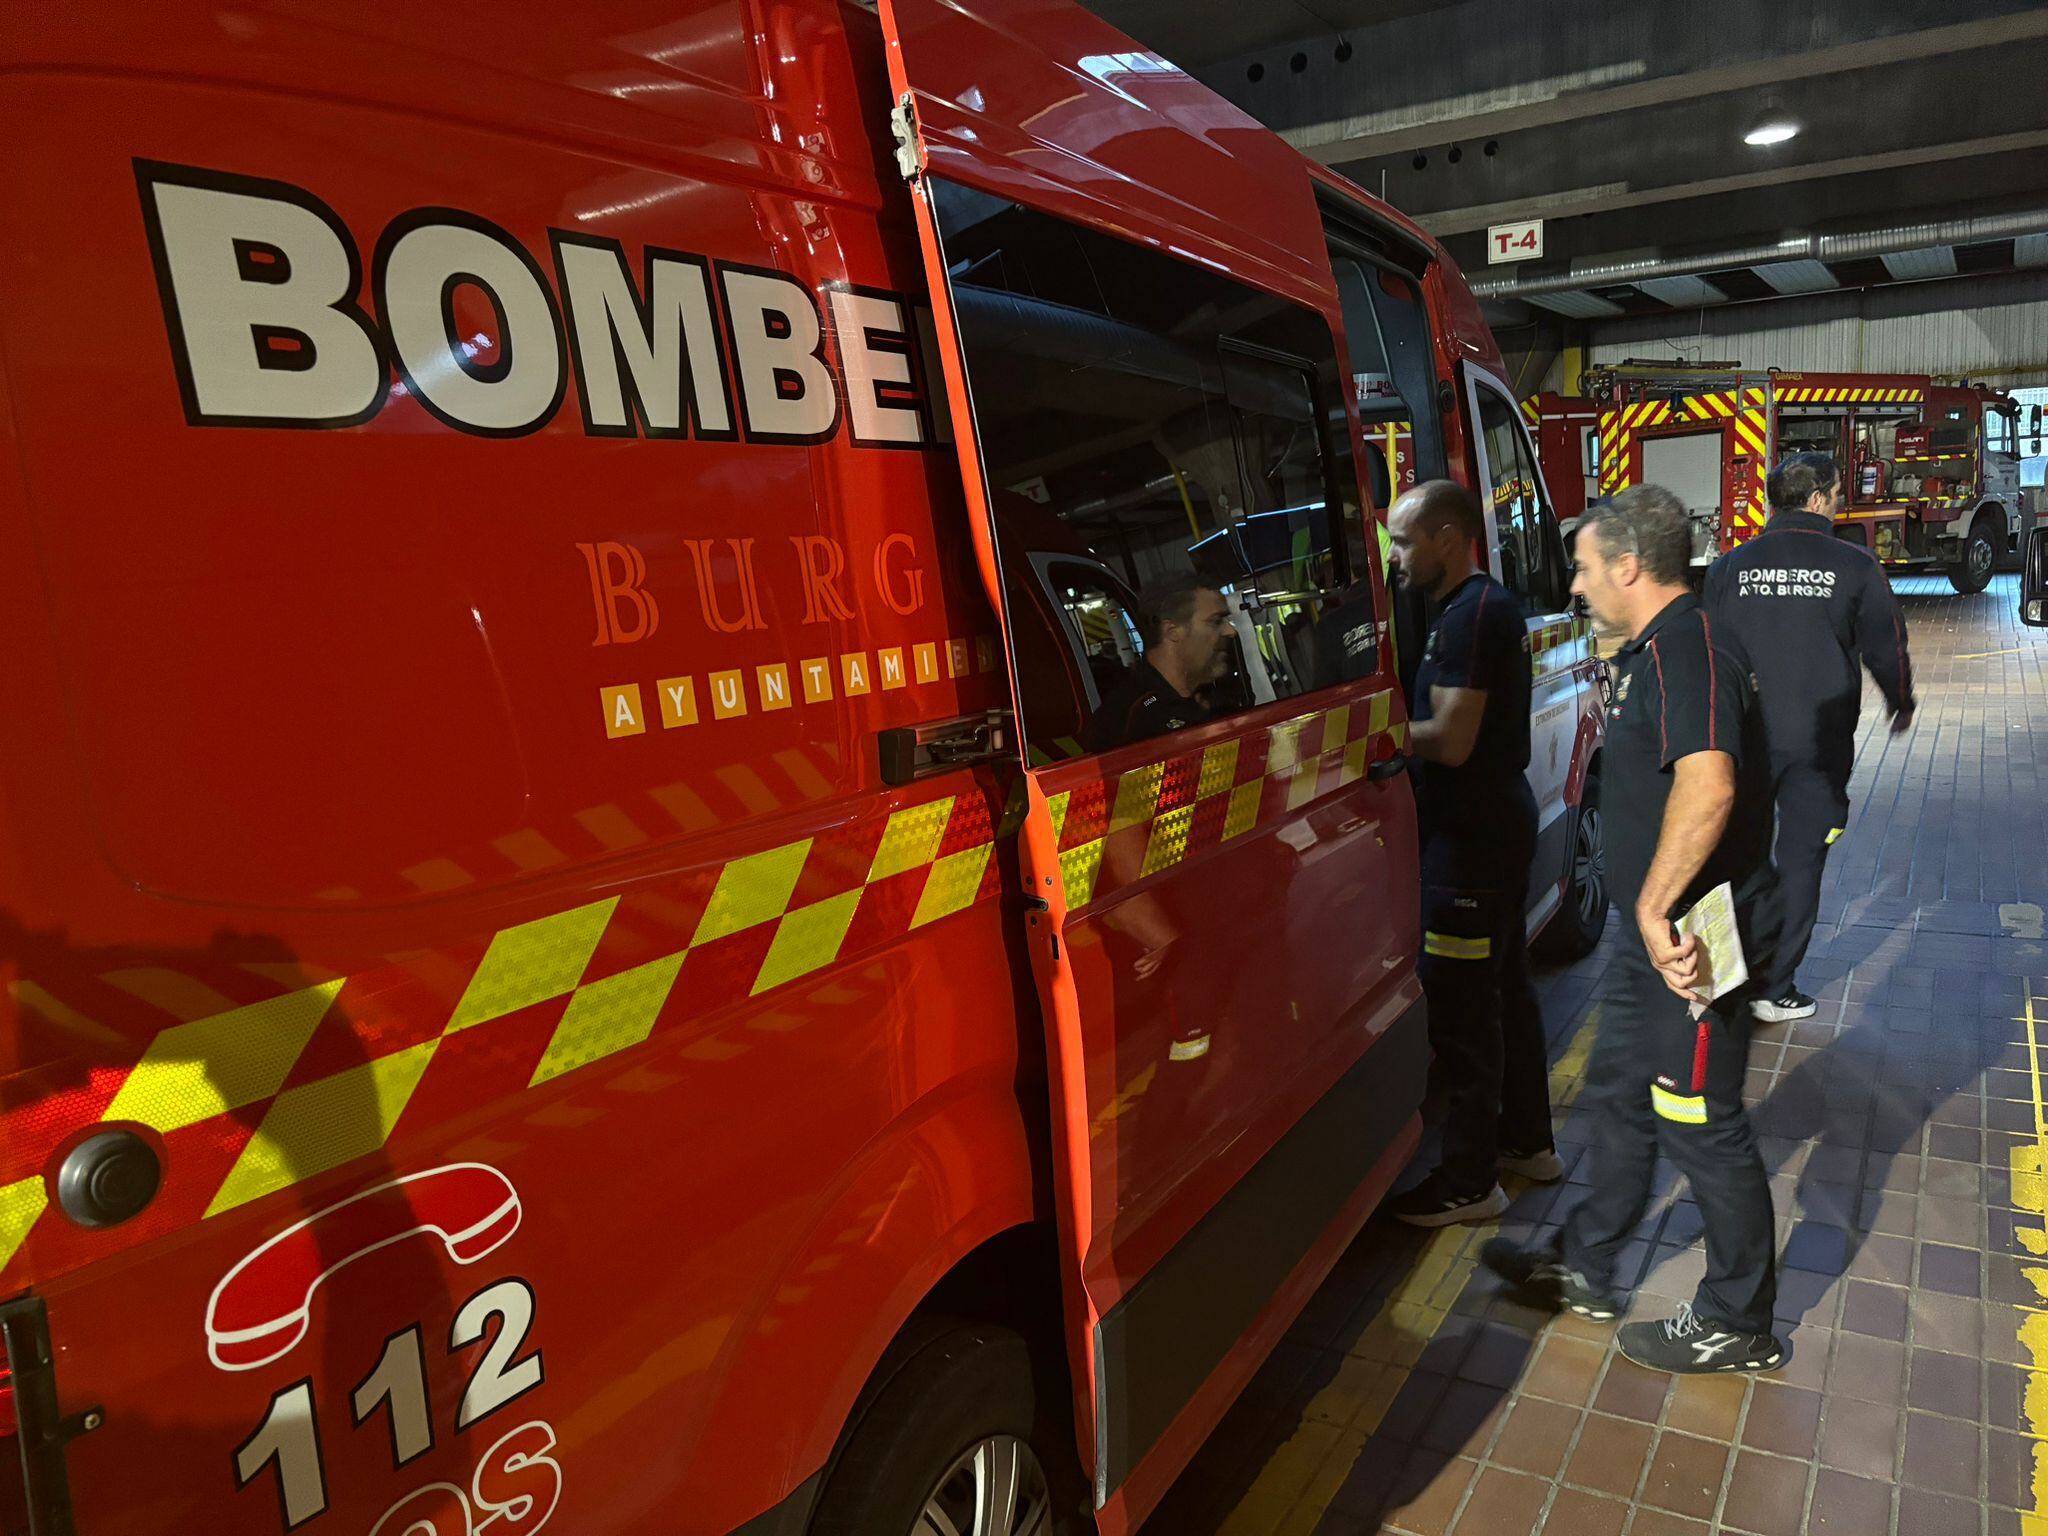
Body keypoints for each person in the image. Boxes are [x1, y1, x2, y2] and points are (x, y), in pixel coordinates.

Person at [1483, 485, 1785, 1374]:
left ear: (1627, 566)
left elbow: (1711, 784)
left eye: (1582, 568)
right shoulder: (1662, 645)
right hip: (1650, 933)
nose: (1574, 586)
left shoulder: (1685, 651)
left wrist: (1653, 909)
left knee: (1697, 1116)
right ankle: (1588, 1266)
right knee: (1620, 1092)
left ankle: (1739, 1316)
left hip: (1691, 936)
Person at [1383, 481, 1559, 1227]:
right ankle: (1528, 1142)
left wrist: (1371, 736)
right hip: (1491, 827)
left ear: (1448, 537)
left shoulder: (1471, 617)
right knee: (1507, 989)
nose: (1394, 558)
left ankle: (1466, 1182)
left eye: (1403, 542)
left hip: (1471, 839)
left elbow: (1451, 739)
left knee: (1462, 1008)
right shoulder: (1469, 609)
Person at [1704, 451, 1915, 1023]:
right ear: (1819, 498)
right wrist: (1901, 701)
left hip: (1741, 736)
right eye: (1839, 491)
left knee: (1736, 853)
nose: (1841, 499)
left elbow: (1705, 649)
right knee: (1800, 858)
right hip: (1817, 742)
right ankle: (1776, 987)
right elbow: (1885, 644)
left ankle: (1723, 978)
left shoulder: (1729, 566)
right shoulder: (1855, 565)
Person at [1086, 572, 1235, 752]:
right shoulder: (1128, 720)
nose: (1230, 631)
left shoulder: (1219, 697)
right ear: (1172, 631)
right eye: (1216, 621)